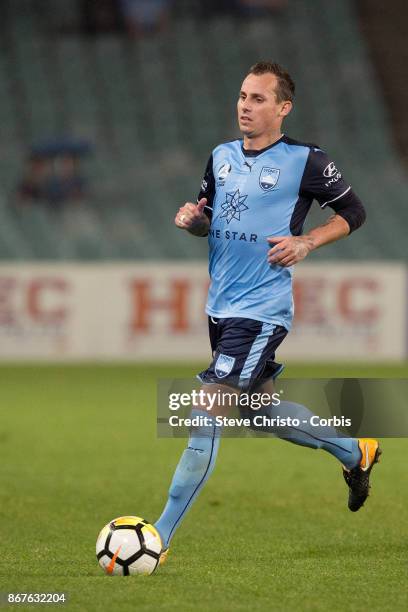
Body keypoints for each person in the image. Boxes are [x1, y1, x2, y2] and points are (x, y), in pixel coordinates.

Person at [153, 61, 381, 565]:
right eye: (242, 96)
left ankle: (158, 537)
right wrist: (193, 220)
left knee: (206, 409)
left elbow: (355, 212)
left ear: (283, 107)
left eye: (258, 99)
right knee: (262, 413)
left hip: (260, 309)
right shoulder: (221, 156)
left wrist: (307, 241)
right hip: (221, 305)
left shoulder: (307, 160)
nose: (245, 106)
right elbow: (209, 216)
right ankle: (354, 452)